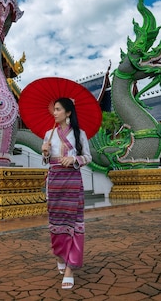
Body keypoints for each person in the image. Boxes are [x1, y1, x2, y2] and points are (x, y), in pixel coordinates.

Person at [41, 97, 92, 290]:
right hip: (54, 182)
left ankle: (70, 268)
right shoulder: (49, 134)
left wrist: (74, 159)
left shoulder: (80, 134)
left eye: (58, 109)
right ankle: (61, 254)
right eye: (54, 109)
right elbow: (45, 161)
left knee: (73, 224)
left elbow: (88, 157)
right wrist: (45, 152)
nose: (54, 113)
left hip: (72, 182)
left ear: (68, 112)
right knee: (57, 223)